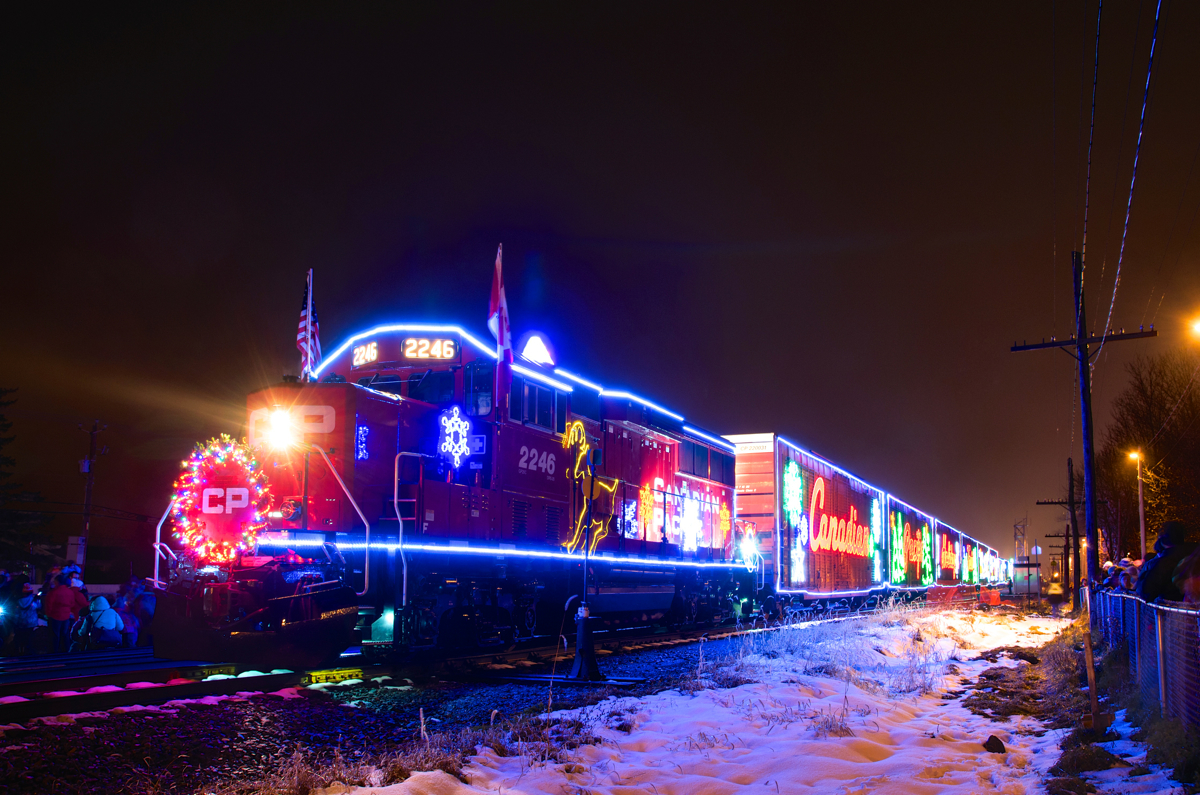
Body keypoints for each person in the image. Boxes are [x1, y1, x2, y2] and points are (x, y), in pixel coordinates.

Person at [1136, 521, 1198, 603]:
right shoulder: (1195, 554)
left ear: (1161, 541)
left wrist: (1144, 573)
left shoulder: (1163, 564)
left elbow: (1146, 592)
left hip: (1173, 612)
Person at [44, 573, 87, 653]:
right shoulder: (69, 592)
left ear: (58, 582)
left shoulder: (54, 592)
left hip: (55, 616)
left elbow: (49, 604)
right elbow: (72, 603)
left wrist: (48, 614)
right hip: (66, 615)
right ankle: (65, 651)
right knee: (64, 634)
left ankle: (54, 652)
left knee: (54, 635)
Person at [12, 583, 40, 655]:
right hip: (31, 623)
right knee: (29, 638)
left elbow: (16, 613)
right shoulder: (34, 601)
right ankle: (28, 652)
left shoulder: (18, 601)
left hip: (20, 622)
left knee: (20, 637)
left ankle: (19, 651)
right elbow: (39, 607)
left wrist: (15, 622)